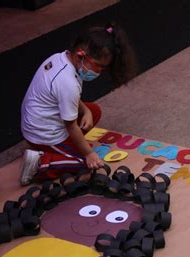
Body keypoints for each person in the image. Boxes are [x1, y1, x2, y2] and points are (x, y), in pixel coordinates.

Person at [19, 22, 138, 186]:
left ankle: (59, 149)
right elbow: (71, 126)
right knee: (87, 163)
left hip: (38, 122)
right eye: (98, 66)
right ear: (81, 54)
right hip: (44, 134)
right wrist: (88, 153)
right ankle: (40, 163)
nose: (98, 72)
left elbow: (64, 98)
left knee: (93, 110)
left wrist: (86, 111)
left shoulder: (60, 58)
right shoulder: (67, 82)